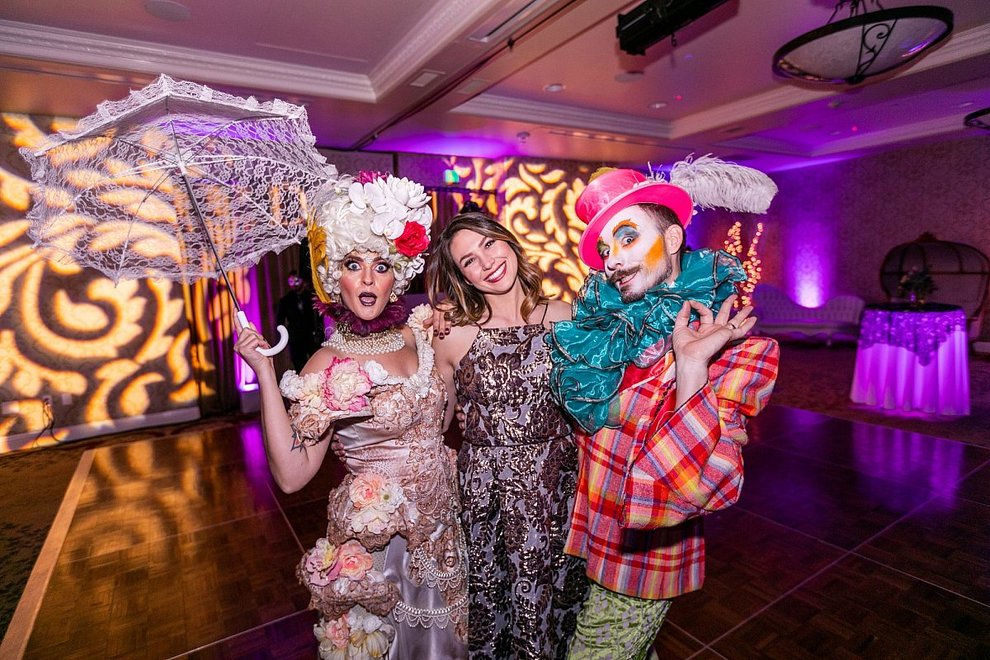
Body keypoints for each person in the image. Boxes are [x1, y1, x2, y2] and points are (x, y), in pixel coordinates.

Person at [545, 159, 780, 660]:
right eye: (605, 248)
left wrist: (691, 364)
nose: (612, 260)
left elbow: (704, 482)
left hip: (645, 550)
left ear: (673, 240)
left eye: (628, 238)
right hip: (597, 526)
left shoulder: (729, 343)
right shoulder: (604, 328)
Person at [235, 172, 468, 660]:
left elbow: (440, 425)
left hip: (447, 527)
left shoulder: (416, 335)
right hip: (386, 549)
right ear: (331, 275)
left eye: (381, 265)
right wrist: (263, 370)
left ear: (397, 274)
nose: (367, 278)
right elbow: (293, 475)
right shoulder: (327, 365)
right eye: (352, 263)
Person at [427, 212, 588, 660]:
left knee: (557, 602)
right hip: (488, 492)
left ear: (508, 240)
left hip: (556, 483)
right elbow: (437, 422)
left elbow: (593, 402)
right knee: (498, 601)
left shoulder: (566, 317)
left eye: (489, 244)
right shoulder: (452, 334)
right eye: (469, 261)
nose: (488, 263)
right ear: (462, 277)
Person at [276, 269, 324, 371]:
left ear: (302, 280)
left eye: (296, 281)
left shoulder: (312, 297)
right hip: (295, 338)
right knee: (299, 365)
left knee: (316, 363)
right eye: (291, 282)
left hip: (311, 336)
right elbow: (279, 321)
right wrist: (285, 336)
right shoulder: (285, 300)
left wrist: (319, 333)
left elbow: (319, 317)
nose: (294, 284)